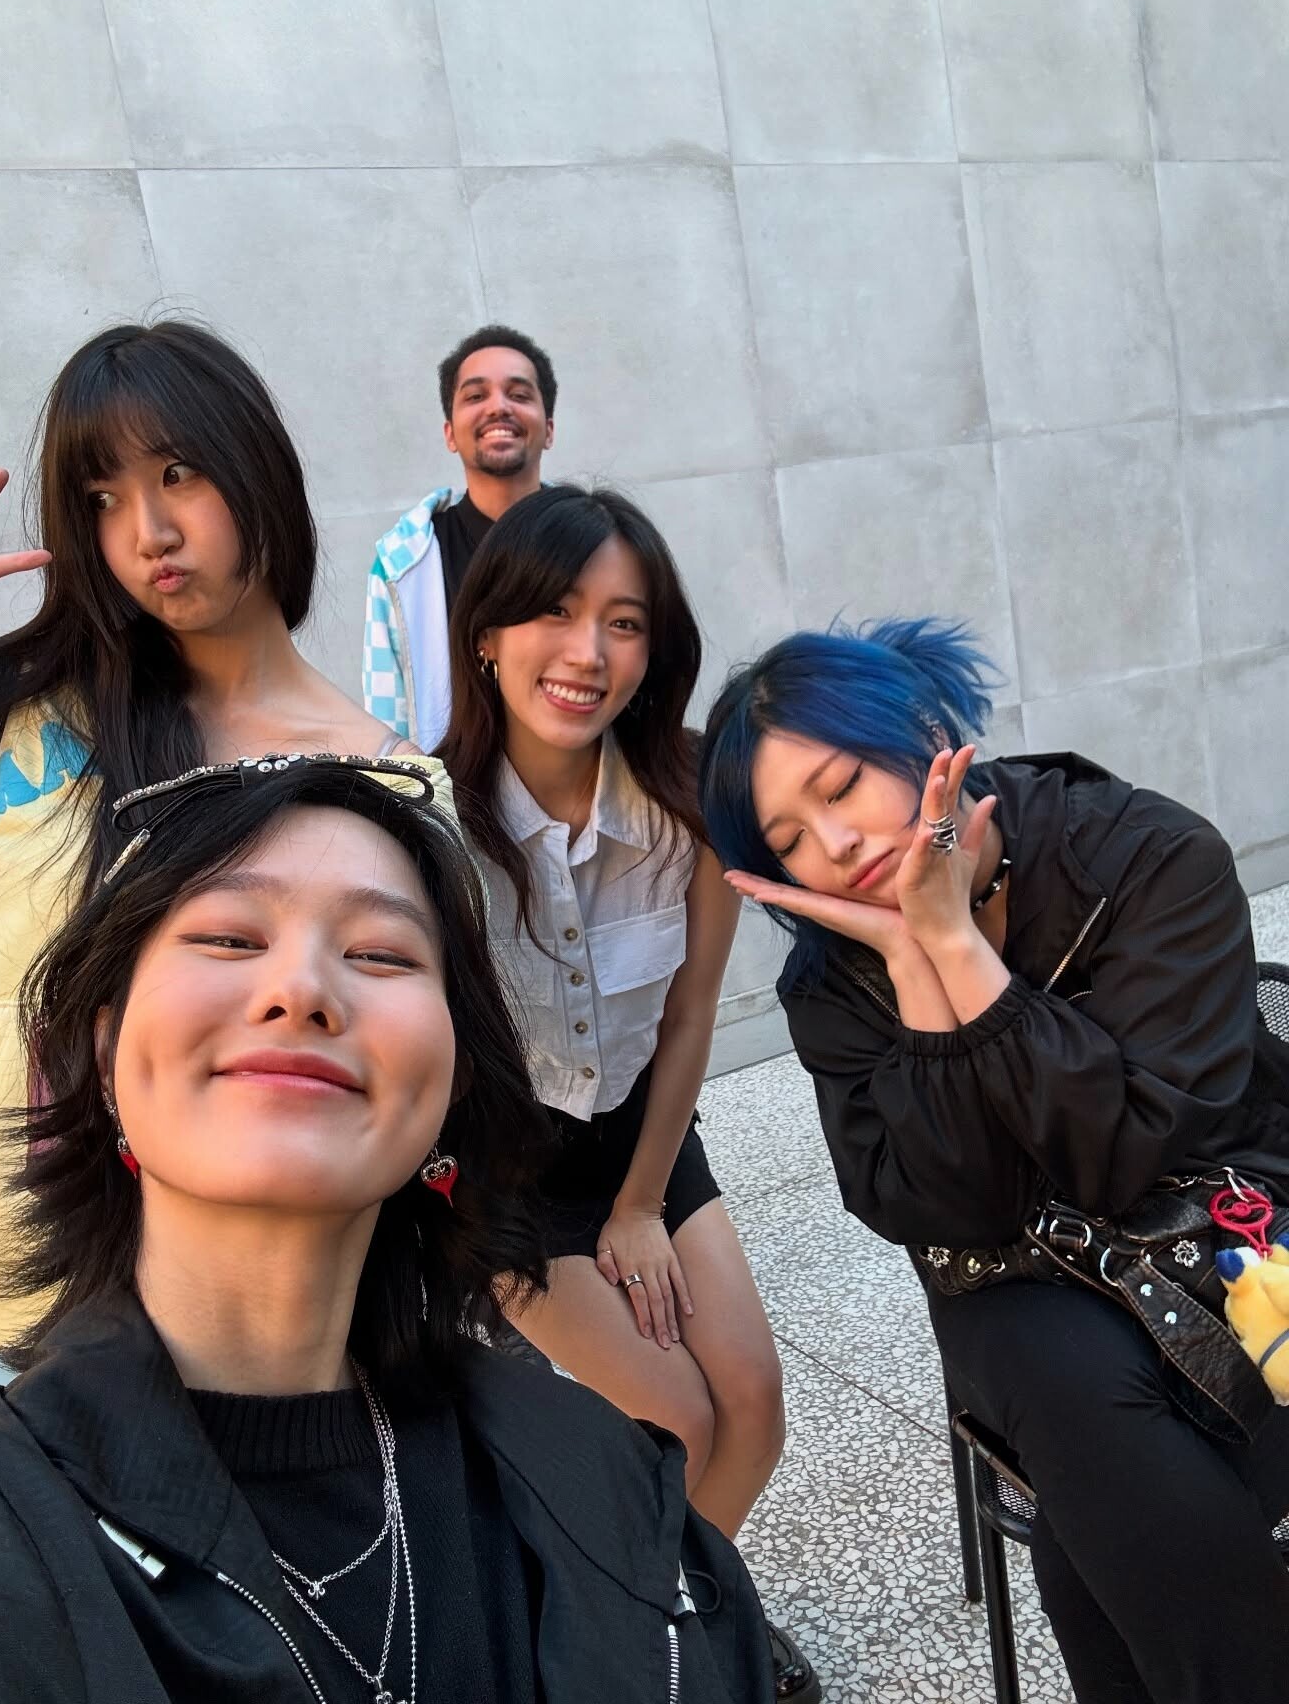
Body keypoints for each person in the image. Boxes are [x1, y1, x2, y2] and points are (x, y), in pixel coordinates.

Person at [0, 757, 774, 1704]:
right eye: (227, 937)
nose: (300, 989)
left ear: (453, 1078)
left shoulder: (601, 1475)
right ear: (104, 1046)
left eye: (382, 955)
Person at [0, 320, 450, 1413]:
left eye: (180, 474)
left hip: (271, 1318)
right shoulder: (23, 726)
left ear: (256, 469)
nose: (150, 532)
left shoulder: (393, 784)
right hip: (14, 1295)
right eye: (103, 497)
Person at [698, 616, 1289, 1704]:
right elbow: (944, 1207)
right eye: (790, 838)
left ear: (929, 735)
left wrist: (955, 946)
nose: (834, 844)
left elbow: (1125, 1153)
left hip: (1219, 1229)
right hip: (1012, 1278)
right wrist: (913, 962)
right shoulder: (830, 985)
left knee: (1087, 1511)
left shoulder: (1146, 854)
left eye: (841, 786)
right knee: (1067, 1388)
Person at [438, 486, 818, 1700]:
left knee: (752, 1402)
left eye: (624, 621)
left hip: (641, 1144)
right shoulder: (430, 824)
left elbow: (692, 1015)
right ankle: (653, 1646)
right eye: (554, 612)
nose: (587, 652)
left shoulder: (686, 800)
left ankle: (681, 1622)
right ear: (486, 635)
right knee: (678, 1424)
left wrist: (643, 1203)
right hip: (503, 1178)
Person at [363, 324, 556, 750]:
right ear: (450, 433)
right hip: (458, 788)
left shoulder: (602, 548)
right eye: (475, 396)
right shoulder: (401, 564)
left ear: (549, 428)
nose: (498, 407)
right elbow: (389, 727)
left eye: (519, 394)